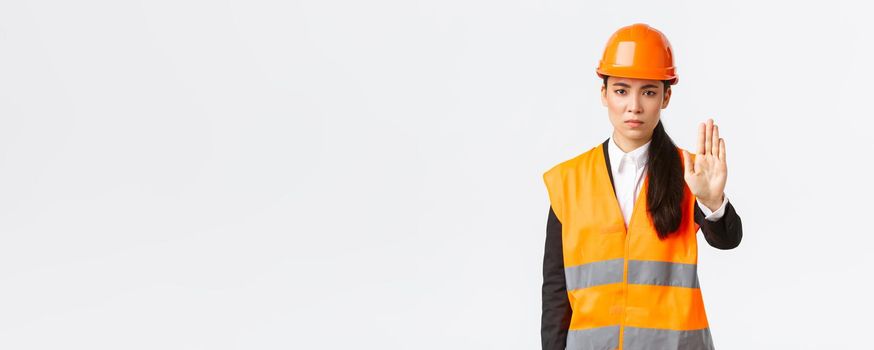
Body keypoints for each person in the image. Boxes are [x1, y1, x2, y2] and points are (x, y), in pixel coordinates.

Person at [541, 23, 743, 350]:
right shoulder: (569, 180)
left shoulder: (690, 173)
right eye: (621, 90)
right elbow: (555, 289)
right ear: (603, 93)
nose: (634, 105)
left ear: (666, 97)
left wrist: (713, 201)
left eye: (648, 91)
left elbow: (728, 240)